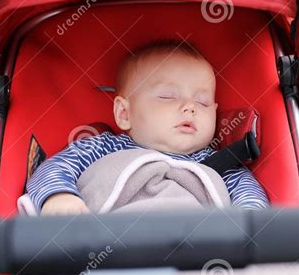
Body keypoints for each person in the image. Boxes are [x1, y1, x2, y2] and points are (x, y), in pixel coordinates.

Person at [26, 40, 269, 214]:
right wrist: (59, 196)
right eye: (167, 97)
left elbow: (251, 201)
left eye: (202, 102)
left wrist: (247, 225)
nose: (190, 108)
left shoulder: (221, 165)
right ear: (124, 113)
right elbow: (52, 169)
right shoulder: (102, 148)